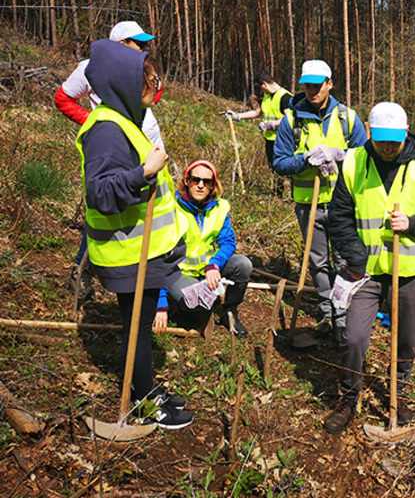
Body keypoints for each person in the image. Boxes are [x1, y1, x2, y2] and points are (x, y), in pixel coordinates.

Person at [76, 39, 192, 429]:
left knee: (138, 328)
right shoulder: (106, 130)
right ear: (119, 81)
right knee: (136, 330)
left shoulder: (124, 119)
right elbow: (101, 192)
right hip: (125, 252)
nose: (151, 83)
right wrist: (143, 172)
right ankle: (141, 400)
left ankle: (144, 389)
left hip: (138, 251)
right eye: (143, 76)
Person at [323, 102, 415, 434]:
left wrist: (412, 223)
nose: (389, 147)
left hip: (411, 272)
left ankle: (398, 390)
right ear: (370, 132)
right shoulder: (354, 162)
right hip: (365, 271)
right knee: (354, 337)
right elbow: (339, 218)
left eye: (395, 140)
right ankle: (349, 396)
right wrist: (355, 254)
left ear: (406, 133)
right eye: (382, 140)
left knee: (406, 338)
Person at [54, 21, 164, 297]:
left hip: (143, 142)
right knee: (106, 207)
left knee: (142, 210)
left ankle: (137, 275)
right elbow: (63, 99)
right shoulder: (89, 68)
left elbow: (154, 98)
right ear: (120, 43)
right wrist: (94, 123)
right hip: (115, 146)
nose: (143, 47)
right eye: (136, 42)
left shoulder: (142, 68)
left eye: (143, 43)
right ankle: (84, 271)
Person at [272, 60, 366, 332]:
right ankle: (328, 311)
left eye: (318, 84)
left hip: (343, 205)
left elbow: (364, 158)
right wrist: (304, 160)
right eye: (307, 85)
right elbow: (279, 162)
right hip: (308, 205)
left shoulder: (347, 118)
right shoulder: (292, 119)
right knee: (318, 260)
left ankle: (345, 311)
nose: (312, 90)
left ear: (330, 84)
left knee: (346, 258)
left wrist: (340, 155)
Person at [154, 160, 254, 338]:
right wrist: (160, 304)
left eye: (206, 182)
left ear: (212, 186)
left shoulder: (219, 208)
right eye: (195, 180)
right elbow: (159, 256)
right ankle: (177, 304)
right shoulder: (172, 208)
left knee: (243, 265)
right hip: (178, 272)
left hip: (207, 268)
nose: (200, 185)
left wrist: (214, 264)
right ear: (186, 181)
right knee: (198, 304)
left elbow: (228, 242)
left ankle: (229, 311)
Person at [225, 73, 292, 167]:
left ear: (264, 84)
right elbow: (257, 112)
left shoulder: (285, 97)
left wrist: (271, 124)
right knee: (273, 168)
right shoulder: (267, 96)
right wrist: (237, 116)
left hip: (283, 141)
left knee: (284, 169)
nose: (261, 90)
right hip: (270, 140)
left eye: (261, 87)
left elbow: (291, 118)